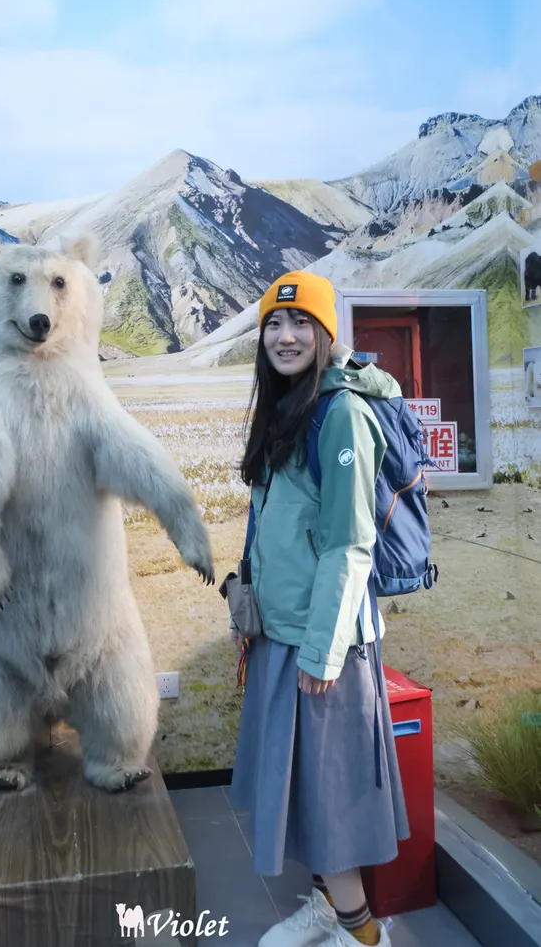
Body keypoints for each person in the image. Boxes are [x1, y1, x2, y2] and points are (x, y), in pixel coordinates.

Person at [228, 270, 410, 947]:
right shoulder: (286, 410)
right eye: (274, 324)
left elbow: (349, 546)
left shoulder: (342, 416)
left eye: (301, 322)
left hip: (324, 646)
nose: (285, 336)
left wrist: (322, 651)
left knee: (329, 802)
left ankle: (365, 936)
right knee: (304, 791)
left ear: (328, 334)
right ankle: (325, 912)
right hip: (284, 635)